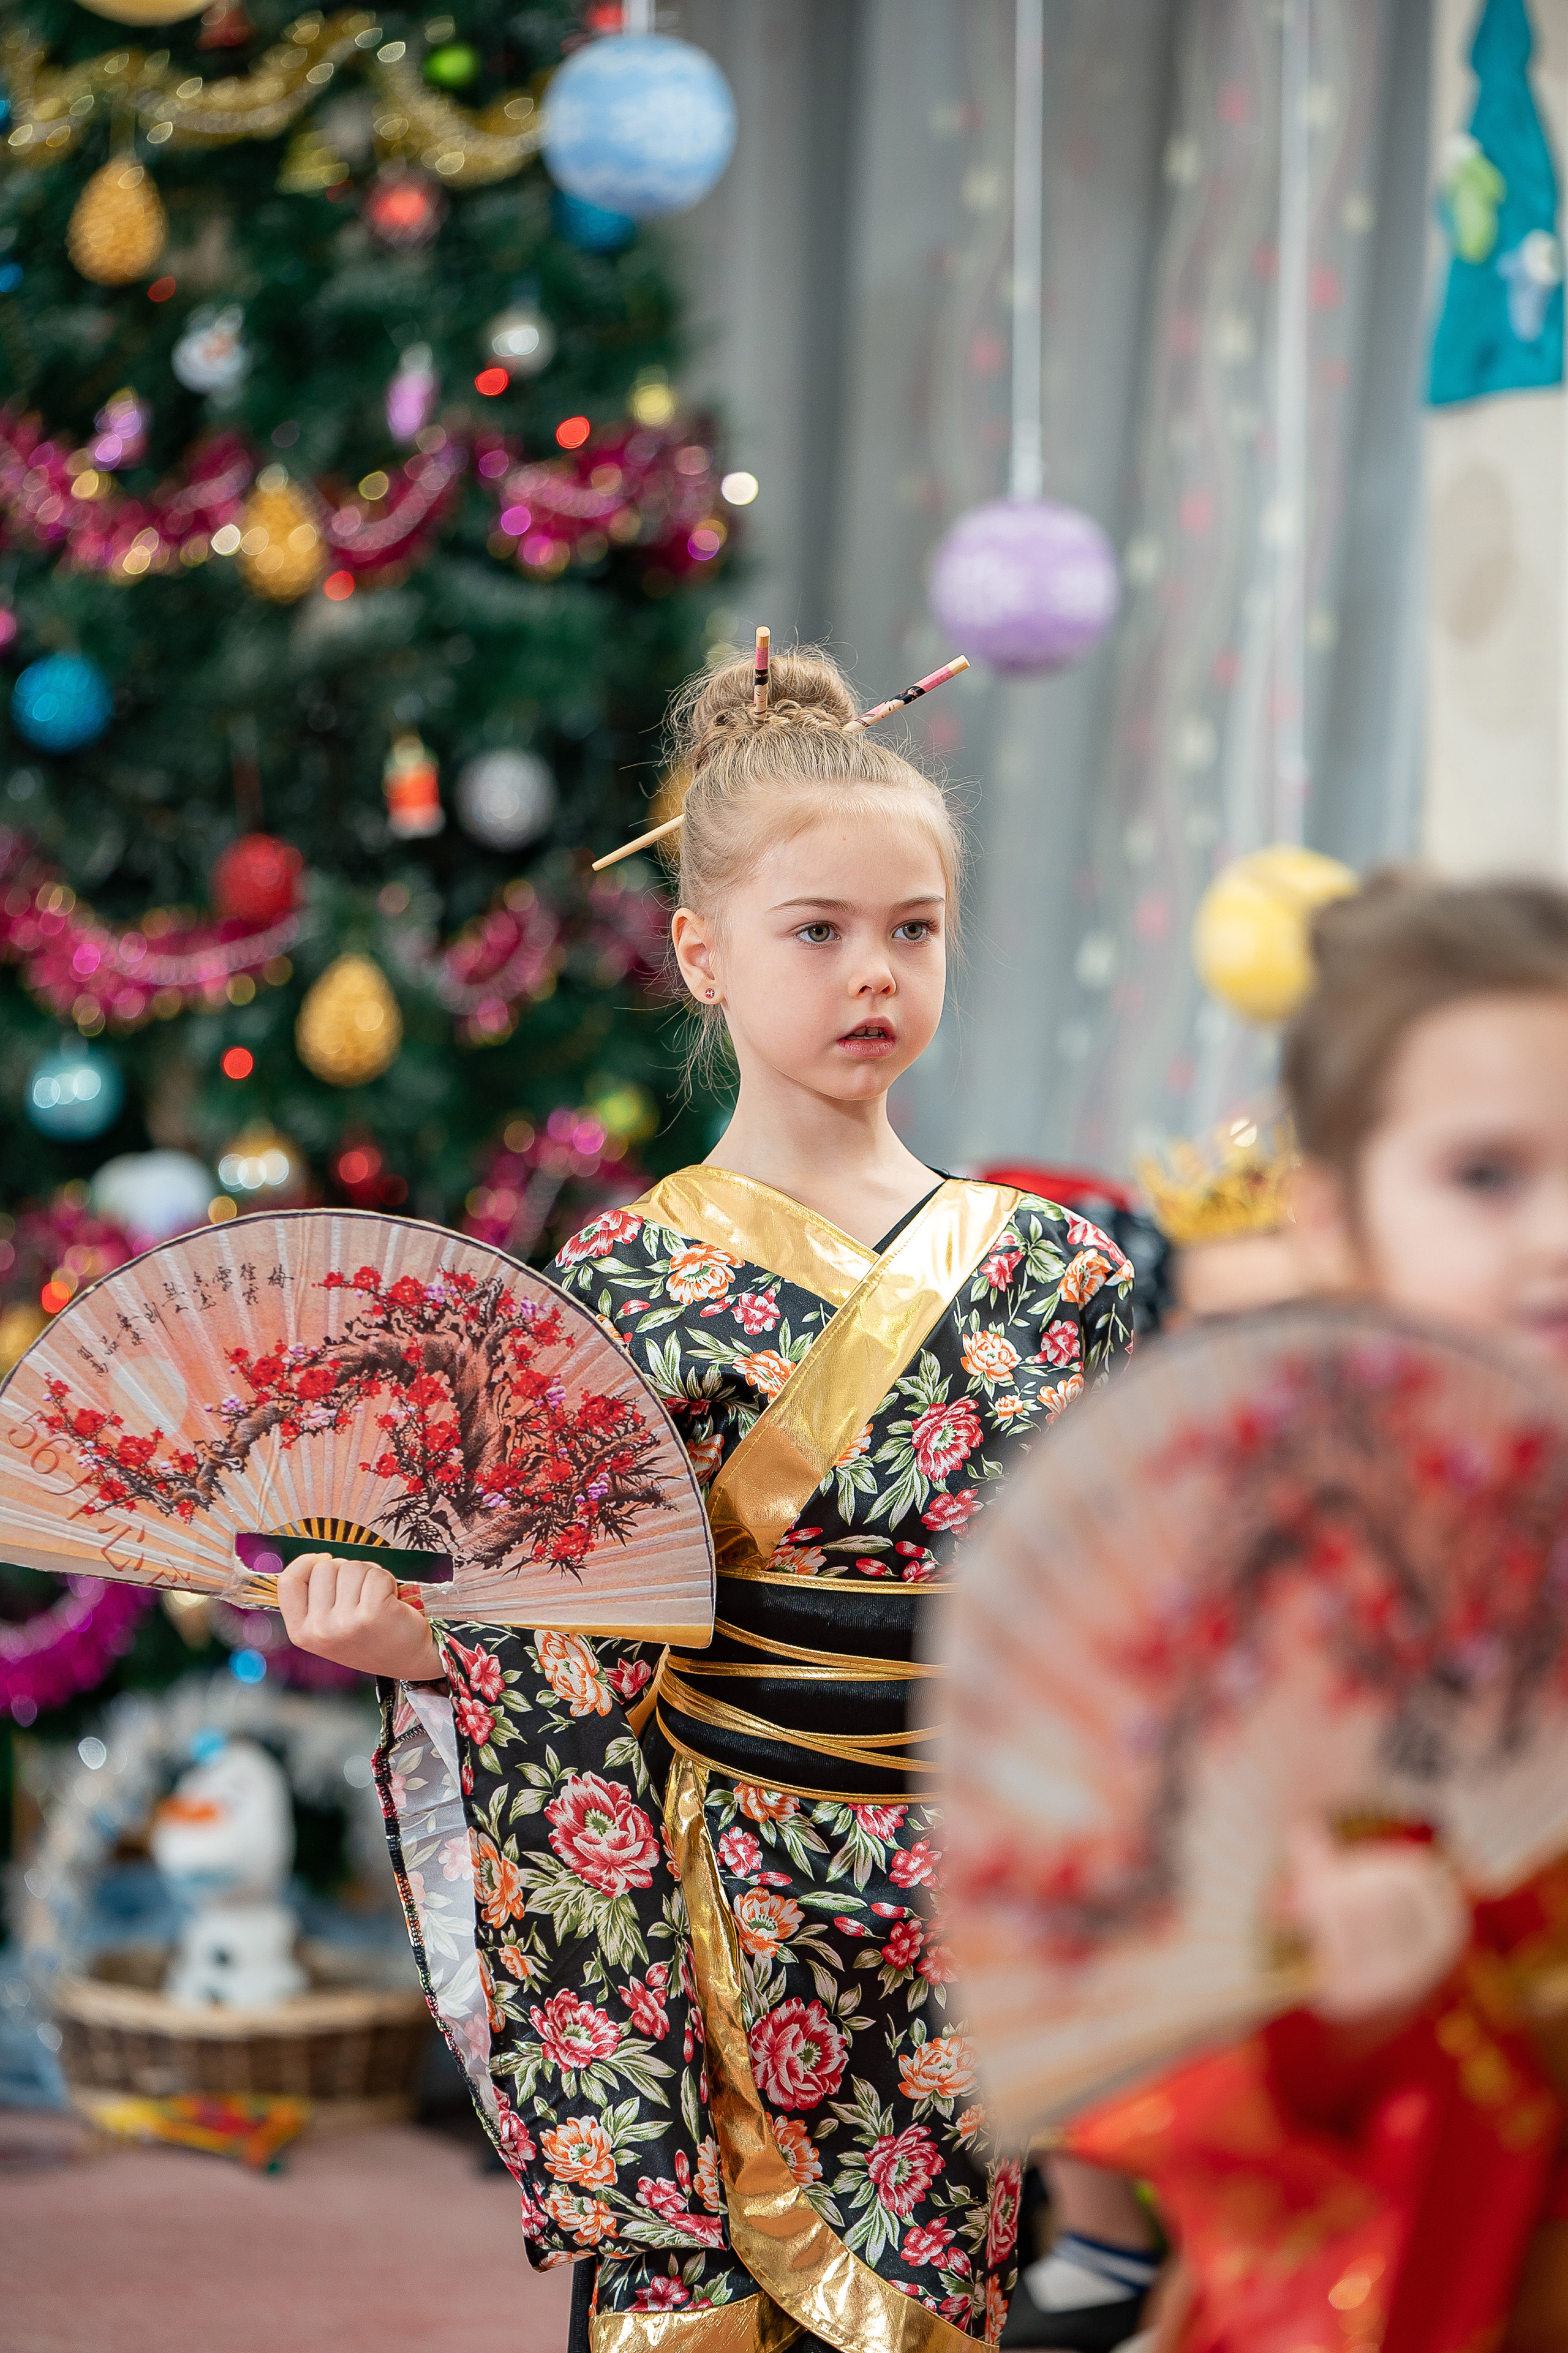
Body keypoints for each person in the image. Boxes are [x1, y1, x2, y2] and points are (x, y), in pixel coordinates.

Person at [277, 646, 1145, 2353]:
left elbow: (1109, 1619)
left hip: (950, 1896)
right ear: (702, 952)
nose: (872, 971)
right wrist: (421, 1642)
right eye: (816, 930)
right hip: (712, 1893)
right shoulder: (613, 1281)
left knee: (936, 2303)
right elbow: (566, 1644)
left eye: (914, 929)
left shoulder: (1059, 1272)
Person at [1061, 873, 1568, 2353]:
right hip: (1385, 2270)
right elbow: (1140, 2025)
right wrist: (1342, 2005)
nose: (1558, 1235)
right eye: (1485, 1175)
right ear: (1337, 1218)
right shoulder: (1270, 1607)